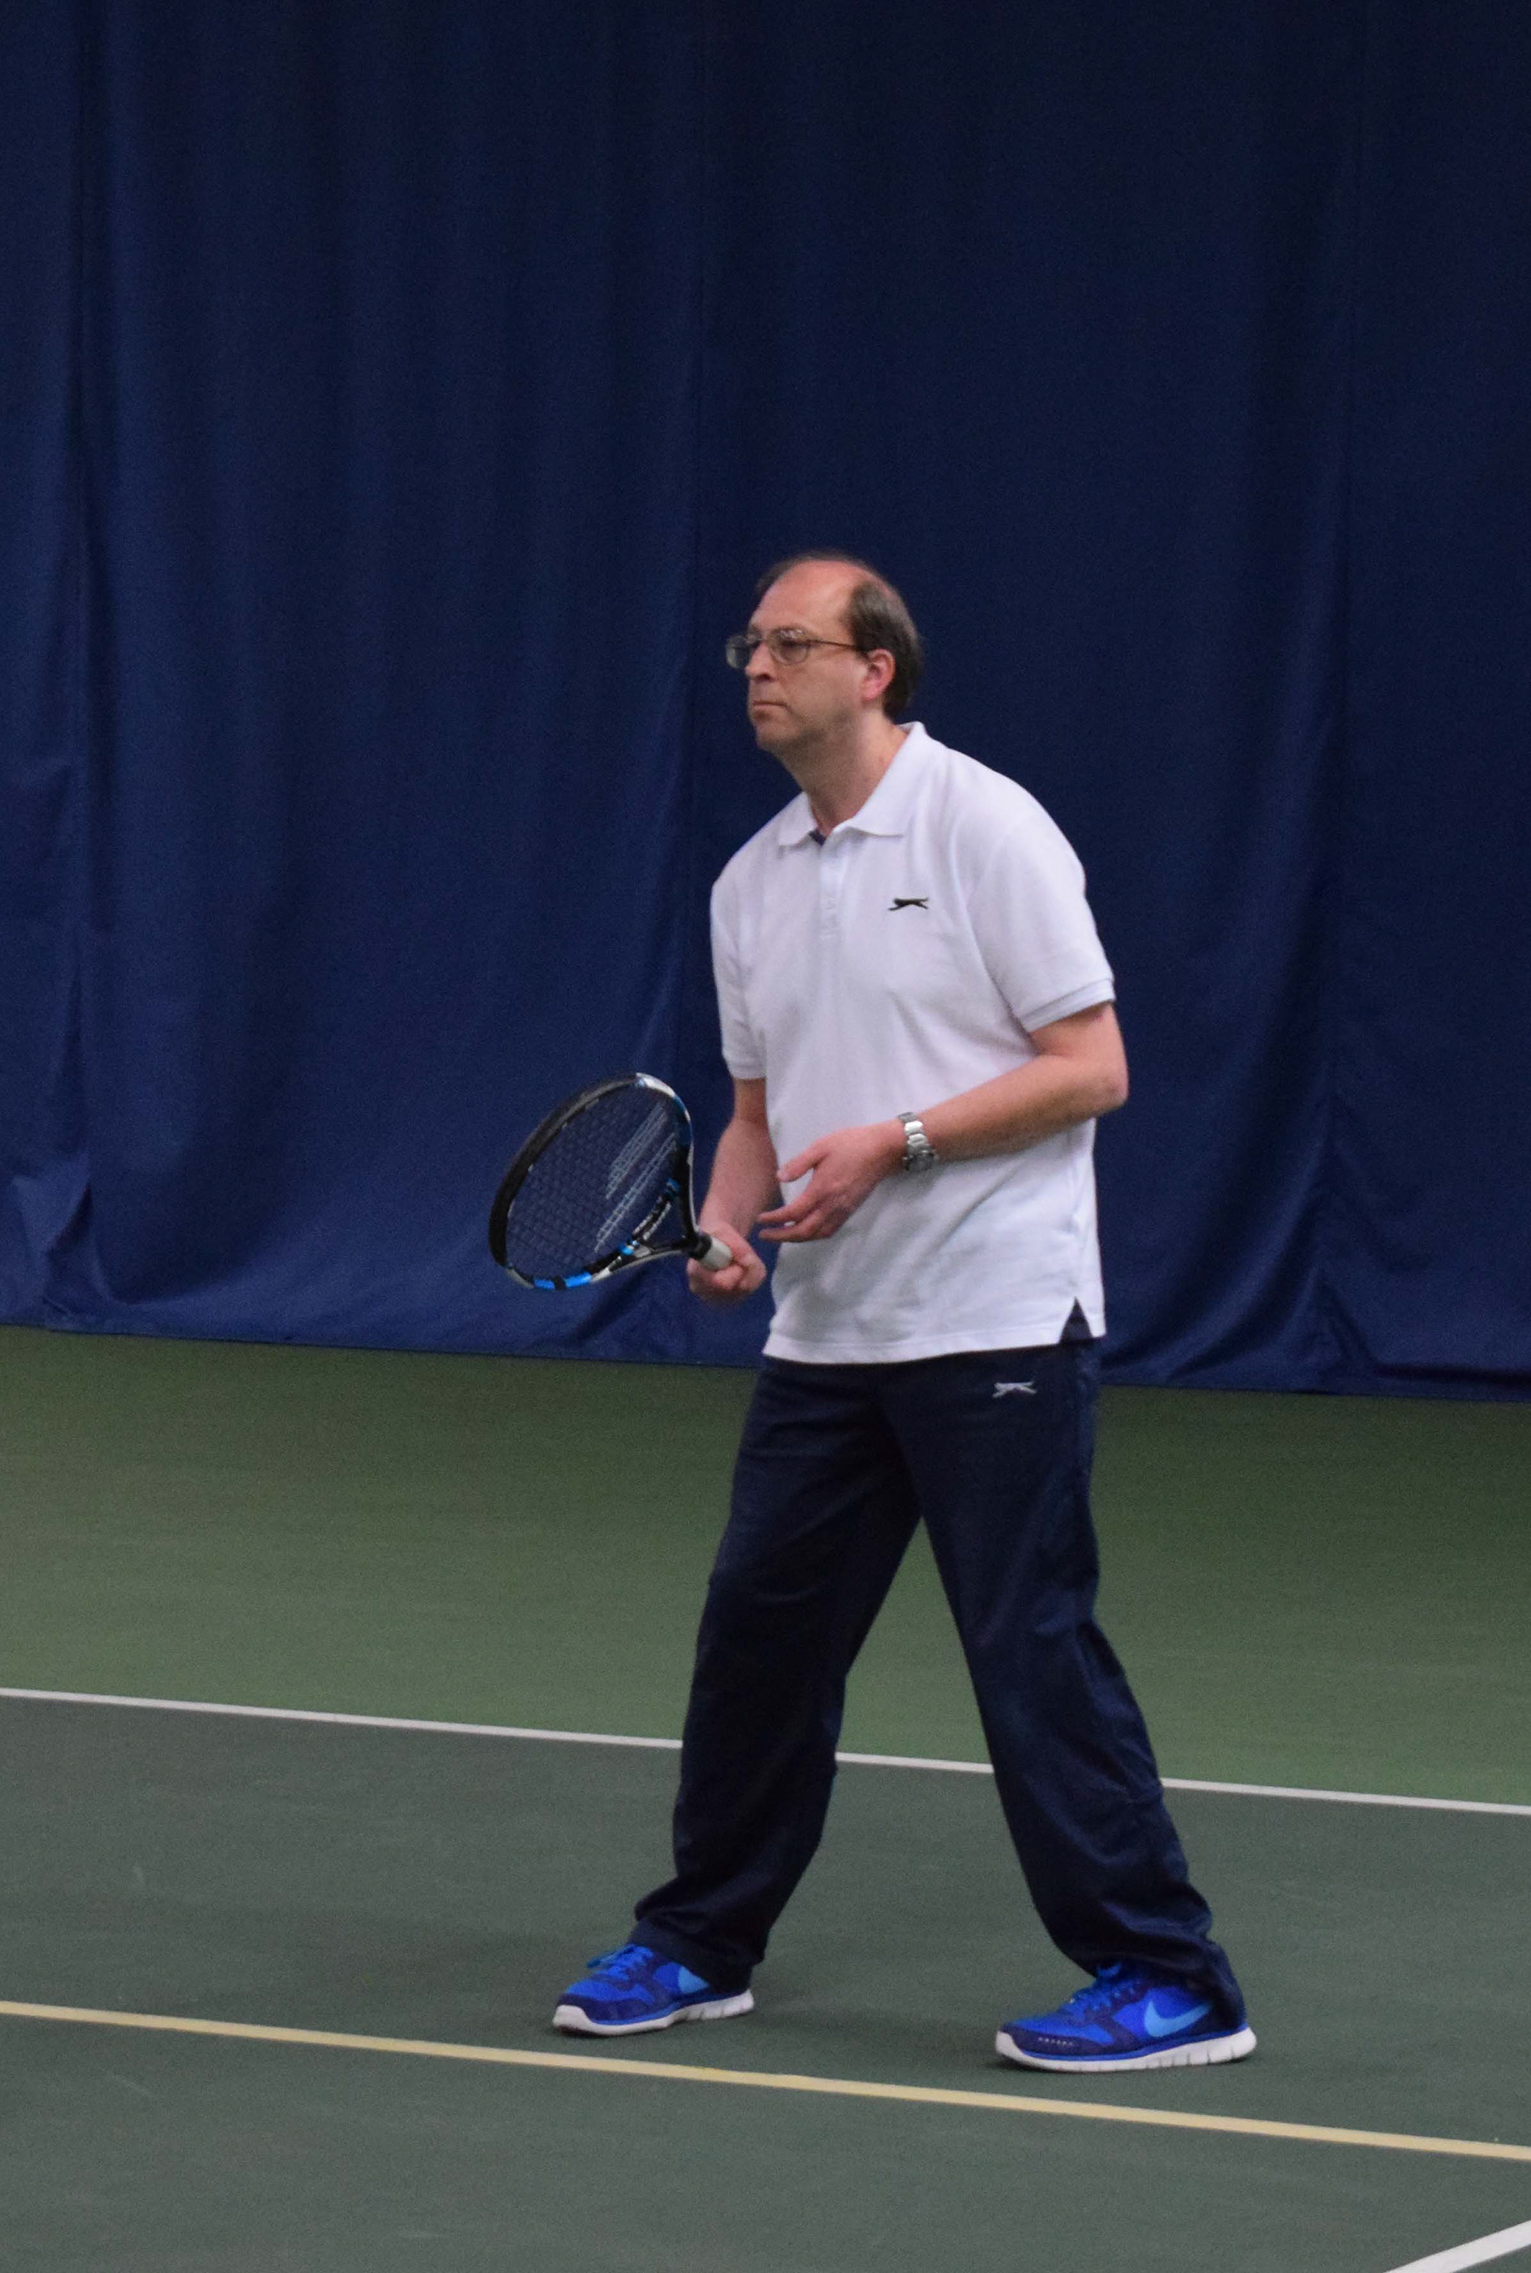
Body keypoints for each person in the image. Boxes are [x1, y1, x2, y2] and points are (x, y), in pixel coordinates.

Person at [548, 552, 1252, 2074]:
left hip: (995, 1319)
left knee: (1029, 1653)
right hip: (827, 1339)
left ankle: (1169, 1977)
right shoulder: (749, 883)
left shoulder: (986, 826)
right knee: (759, 1645)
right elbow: (758, 1114)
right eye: (750, 645)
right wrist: (725, 1224)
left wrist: (902, 1143)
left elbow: (1094, 1068)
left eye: (792, 644)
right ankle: (699, 1942)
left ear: (875, 670)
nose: (758, 667)